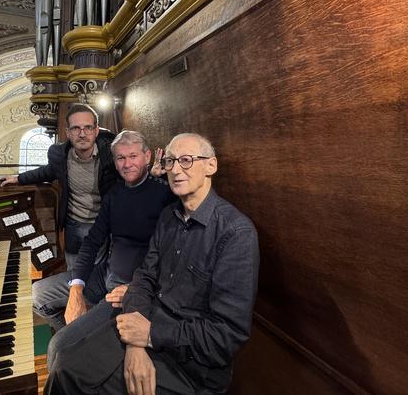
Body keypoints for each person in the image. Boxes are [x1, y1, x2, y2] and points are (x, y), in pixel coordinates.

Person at [45, 133, 260, 395]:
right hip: (148, 322)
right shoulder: (170, 216)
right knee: (63, 360)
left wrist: (149, 335)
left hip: (190, 365)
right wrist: (137, 341)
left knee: (70, 375)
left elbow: (224, 337)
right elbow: (144, 276)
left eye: (187, 160)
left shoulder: (235, 232)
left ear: (211, 165)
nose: (176, 169)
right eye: (170, 161)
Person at [33, 130, 176, 367]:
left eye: (133, 156)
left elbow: (172, 255)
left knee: (57, 348)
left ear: (147, 156)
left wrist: (136, 288)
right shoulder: (114, 194)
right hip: (103, 274)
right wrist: (76, 290)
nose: (127, 164)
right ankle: (80, 341)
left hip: (130, 289)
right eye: (120, 158)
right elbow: (91, 242)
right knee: (39, 294)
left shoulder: (165, 194)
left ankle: (77, 345)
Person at [0, 103, 119, 270]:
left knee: (95, 275)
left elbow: (131, 171)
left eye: (88, 128)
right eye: (76, 128)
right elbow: (46, 172)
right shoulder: (59, 155)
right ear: (68, 132)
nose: (82, 134)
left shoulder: (112, 155)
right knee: (72, 271)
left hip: (100, 225)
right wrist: (18, 178)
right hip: (72, 224)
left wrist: (155, 175)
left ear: (96, 130)